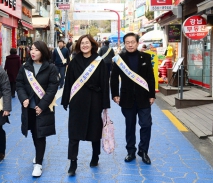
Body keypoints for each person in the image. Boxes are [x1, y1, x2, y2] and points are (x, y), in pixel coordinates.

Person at [61, 34, 111, 176]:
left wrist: (105, 103)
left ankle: (95, 155)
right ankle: (73, 162)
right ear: (79, 45)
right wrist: (65, 100)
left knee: (95, 131)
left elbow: (104, 83)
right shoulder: (74, 62)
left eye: (87, 43)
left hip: (95, 101)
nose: (84, 45)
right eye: (82, 43)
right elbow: (68, 83)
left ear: (92, 45)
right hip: (77, 101)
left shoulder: (99, 61)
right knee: (74, 133)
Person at [110, 32, 155, 165]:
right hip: (127, 98)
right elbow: (113, 78)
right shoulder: (119, 58)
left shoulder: (146, 57)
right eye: (127, 42)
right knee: (130, 126)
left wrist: (152, 95)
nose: (130, 45)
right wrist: (115, 94)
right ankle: (131, 151)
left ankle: (144, 151)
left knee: (146, 124)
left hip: (144, 98)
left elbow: (150, 78)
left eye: (133, 42)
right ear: (125, 44)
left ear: (137, 43)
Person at [16, 40, 59, 177]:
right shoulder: (25, 67)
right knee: (35, 134)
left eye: (36, 50)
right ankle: (38, 155)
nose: (32, 52)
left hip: (43, 108)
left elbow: (52, 89)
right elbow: (19, 84)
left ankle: (38, 164)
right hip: (29, 108)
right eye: (32, 49)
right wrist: (23, 98)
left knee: (40, 135)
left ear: (43, 52)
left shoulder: (51, 68)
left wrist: (42, 106)